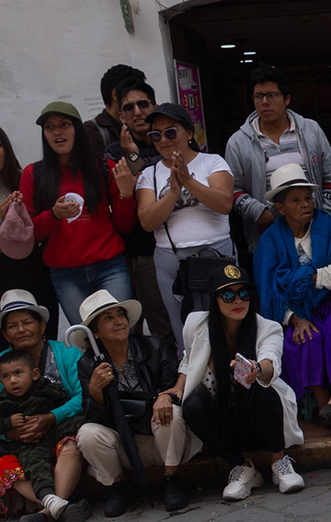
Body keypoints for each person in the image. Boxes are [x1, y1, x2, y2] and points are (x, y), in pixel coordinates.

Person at [176, 264, 304, 500]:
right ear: (214, 299)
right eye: (228, 294)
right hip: (223, 423)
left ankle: (280, 463)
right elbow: (189, 359)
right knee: (192, 405)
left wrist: (257, 369)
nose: (238, 300)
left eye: (244, 293)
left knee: (265, 389)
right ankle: (241, 467)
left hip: (260, 422)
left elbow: (271, 361)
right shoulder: (196, 325)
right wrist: (176, 388)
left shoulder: (267, 327)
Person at [254, 164, 331, 426]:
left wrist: (307, 277)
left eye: (308, 198)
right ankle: (322, 396)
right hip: (294, 310)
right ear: (280, 208)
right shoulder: (270, 240)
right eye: (296, 200)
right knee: (304, 336)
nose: (306, 205)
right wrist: (294, 318)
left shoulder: (326, 225)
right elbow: (269, 289)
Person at [75, 291, 202, 516]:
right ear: (95, 332)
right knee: (87, 433)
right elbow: (95, 418)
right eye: (108, 318)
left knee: (169, 412)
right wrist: (95, 392)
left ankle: (171, 479)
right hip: (125, 445)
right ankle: (120, 486)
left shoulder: (153, 346)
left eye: (120, 315)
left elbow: (175, 386)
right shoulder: (88, 363)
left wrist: (165, 396)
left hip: (161, 437)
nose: (119, 321)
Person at [21, 102, 137, 324]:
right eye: (49, 127)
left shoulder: (104, 166)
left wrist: (125, 195)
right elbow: (30, 233)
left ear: (77, 129)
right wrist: (53, 215)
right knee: (86, 340)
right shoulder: (33, 174)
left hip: (110, 266)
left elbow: (125, 225)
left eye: (64, 124)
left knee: (122, 334)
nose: (57, 132)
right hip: (65, 274)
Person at [135, 103, 235, 352]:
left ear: (189, 133)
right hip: (173, 260)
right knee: (187, 332)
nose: (163, 140)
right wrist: (173, 193)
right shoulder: (149, 174)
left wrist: (189, 180)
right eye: (155, 135)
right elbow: (147, 221)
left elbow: (224, 203)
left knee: (229, 326)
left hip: (217, 254)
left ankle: (235, 382)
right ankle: (195, 387)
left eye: (170, 132)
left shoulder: (212, 162)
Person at [225, 65, 331, 254]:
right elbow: (231, 189)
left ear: (287, 99)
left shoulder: (311, 131)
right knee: (274, 282)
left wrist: (327, 219)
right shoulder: (238, 142)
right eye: (258, 96)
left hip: (315, 232)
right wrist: (257, 211)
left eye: (271, 95)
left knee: (319, 280)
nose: (264, 102)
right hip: (267, 236)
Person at [0, 290, 86, 522]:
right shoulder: (1, 364)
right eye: (12, 326)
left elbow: (83, 396)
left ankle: (47, 514)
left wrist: (51, 417)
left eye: (27, 322)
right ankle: (57, 505)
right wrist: (11, 433)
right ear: (6, 335)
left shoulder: (67, 354)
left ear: (42, 325)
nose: (21, 329)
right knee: (3, 462)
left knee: (72, 443)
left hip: (61, 427)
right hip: (23, 440)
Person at [105, 78, 175, 351]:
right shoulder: (112, 152)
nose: (137, 112)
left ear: (154, 106)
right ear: (120, 115)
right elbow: (131, 194)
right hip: (139, 249)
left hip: (174, 243)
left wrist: (136, 156)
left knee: (172, 324)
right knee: (135, 327)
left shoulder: (168, 141)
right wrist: (131, 156)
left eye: (143, 104)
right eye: (129, 107)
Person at [0, 127, 58, 348]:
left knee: (42, 327)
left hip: (32, 266)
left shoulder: (24, 177)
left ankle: (48, 378)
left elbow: (40, 223)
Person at [83, 64, 147, 159]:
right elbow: (136, 171)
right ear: (115, 95)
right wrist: (133, 156)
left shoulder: (147, 126)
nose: (138, 112)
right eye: (135, 90)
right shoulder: (93, 132)